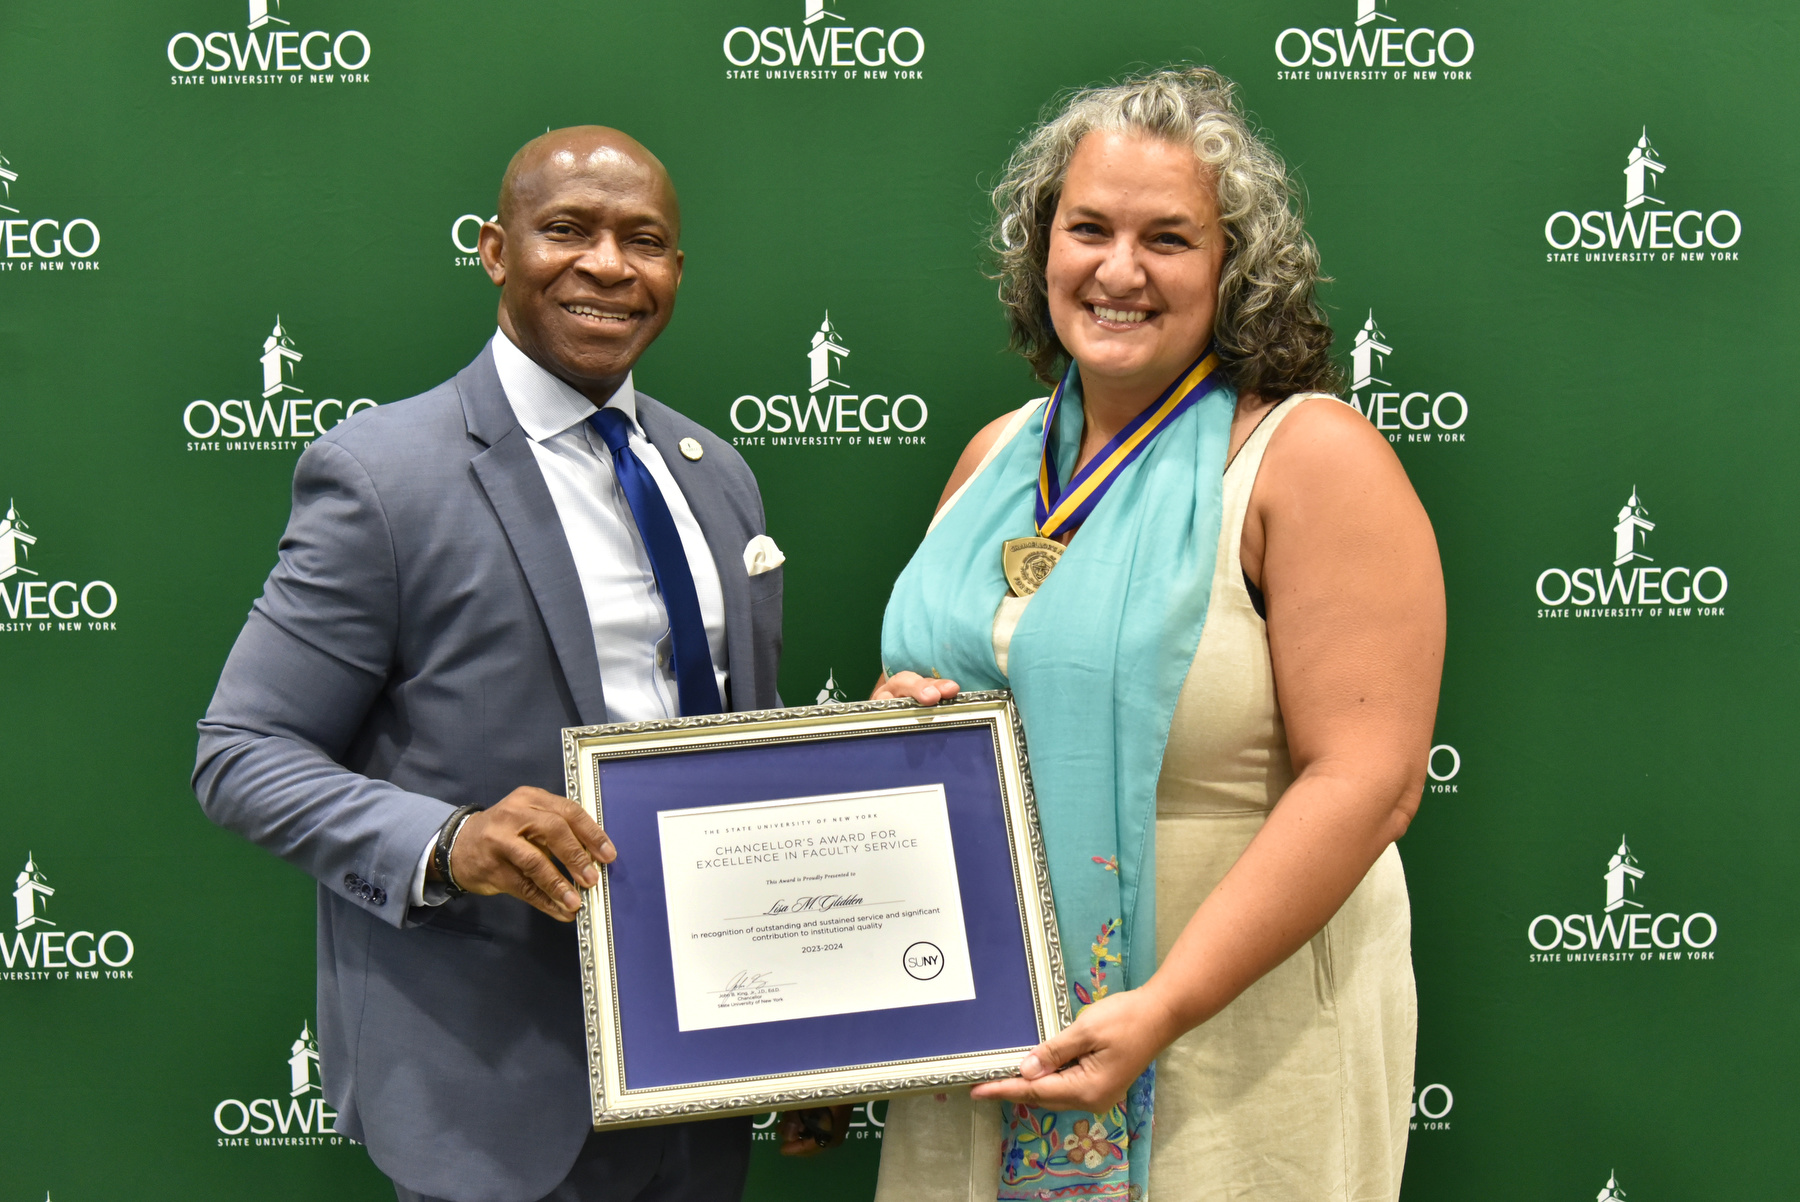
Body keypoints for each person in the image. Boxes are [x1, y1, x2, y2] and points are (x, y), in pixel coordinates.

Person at [872, 68, 1444, 1200]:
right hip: (987, 1040)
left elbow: (1368, 781)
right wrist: (897, 737)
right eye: (1088, 228)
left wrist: (1162, 1007)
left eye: (1168, 238)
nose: (1119, 269)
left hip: (1222, 1042)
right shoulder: (995, 456)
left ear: (1234, 270)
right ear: (1042, 250)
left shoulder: (1307, 454)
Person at [193, 127, 785, 1202]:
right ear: (494, 249)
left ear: (677, 273)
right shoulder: (383, 476)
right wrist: (448, 839)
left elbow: (742, 755)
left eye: (643, 240)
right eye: (567, 229)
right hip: (498, 1088)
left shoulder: (716, 476)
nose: (608, 264)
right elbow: (241, 753)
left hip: (703, 1071)